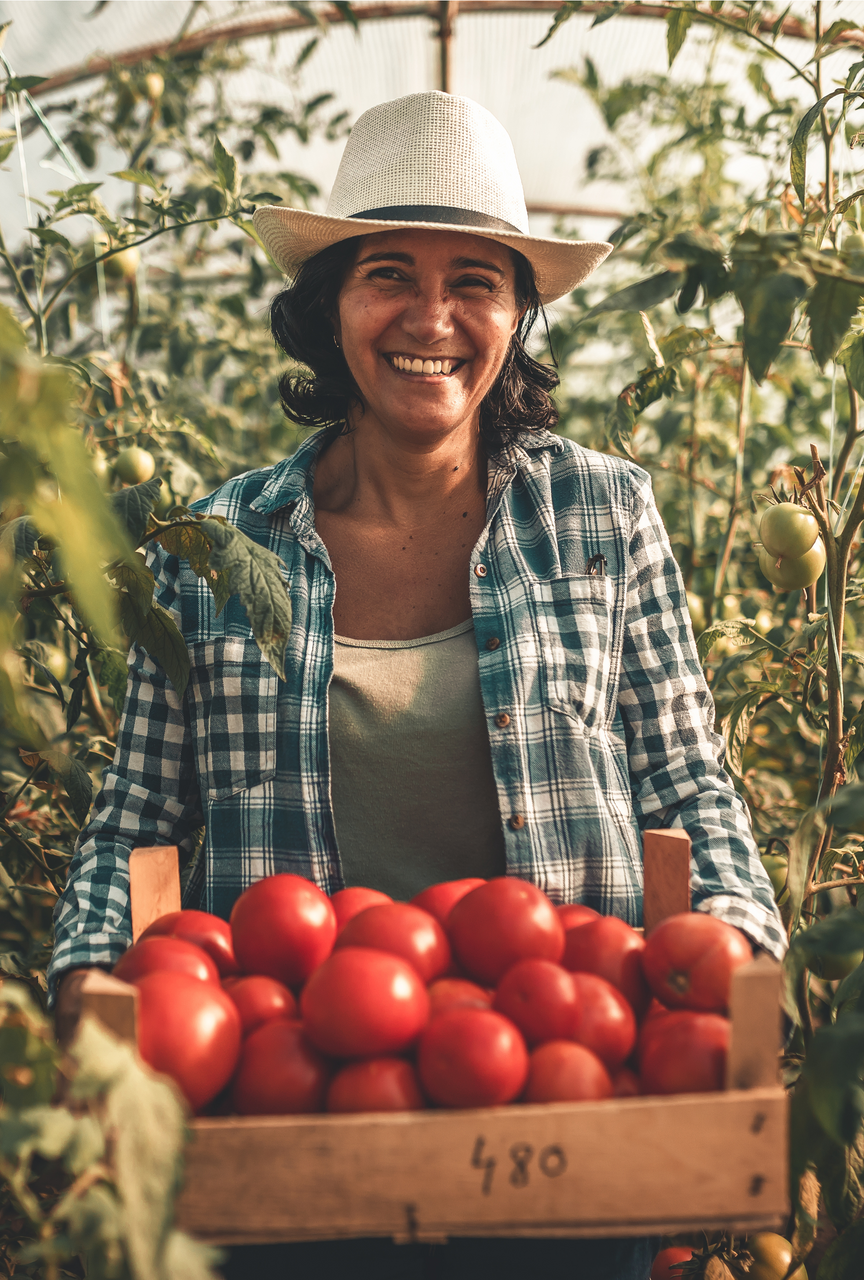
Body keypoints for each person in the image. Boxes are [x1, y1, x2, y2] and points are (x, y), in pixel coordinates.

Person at [50, 92, 785, 1280]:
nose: (431, 318)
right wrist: (91, 984)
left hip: (563, 1120)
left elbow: (688, 779)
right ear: (328, 307)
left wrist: (739, 954)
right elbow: (132, 822)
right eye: (388, 272)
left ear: (517, 315)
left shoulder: (599, 514)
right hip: (285, 1133)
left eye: (477, 282)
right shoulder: (220, 542)